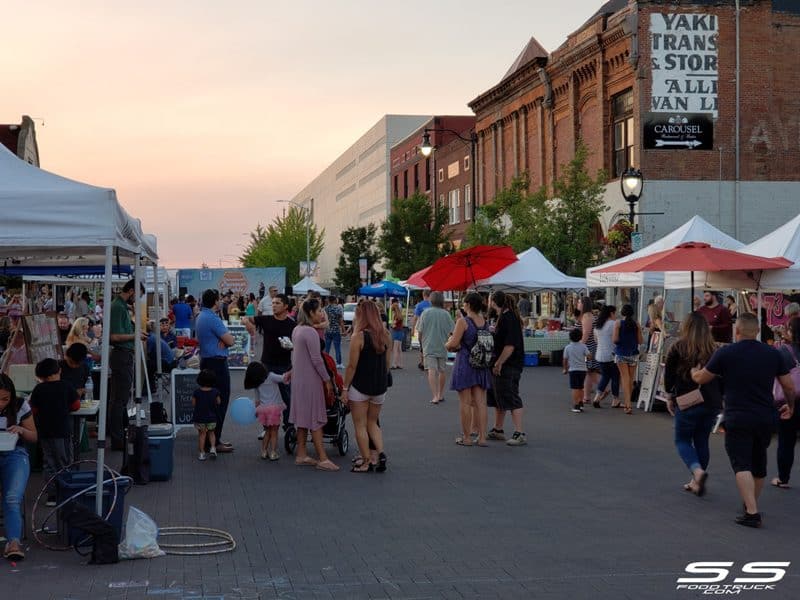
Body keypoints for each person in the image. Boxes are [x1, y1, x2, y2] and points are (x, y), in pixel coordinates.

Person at [692, 313, 795, 527]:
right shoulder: (773, 353)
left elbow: (703, 377)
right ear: (757, 331)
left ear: (736, 330)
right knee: (758, 464)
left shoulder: (726, 352)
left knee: (741, 464)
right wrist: (791, 406)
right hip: (765, 416)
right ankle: (750, 504)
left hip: (738, 415)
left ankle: (752, 512)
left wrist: (694, 372)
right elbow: (788, 386)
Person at [664, 312, 723, 497]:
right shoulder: (714, 349)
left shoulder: (678, 347)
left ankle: (697, 472)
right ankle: (696, 481)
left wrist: (669, 396)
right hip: (711, 401)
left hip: (687, 400)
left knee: (682, 440)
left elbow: (669, 376)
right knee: (702, 440)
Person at [286, 299, 339, 471]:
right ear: (310, 313)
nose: (321, 313)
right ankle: (322, 458)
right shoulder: (310, 332)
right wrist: (327, 380)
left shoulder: (297, 329)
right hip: (310, 380)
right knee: (316, 419)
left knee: (302, 419)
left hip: (299, 380)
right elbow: (317, 359)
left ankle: (301, 454)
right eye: (318, 311)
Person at [342, 301, 390, 473]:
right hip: (379, 387)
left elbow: (351, 366)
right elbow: (387, 363)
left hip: (361, 386)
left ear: (361, 315)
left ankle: (366, 461)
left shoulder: (359, 336)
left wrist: (345, 388)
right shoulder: (385, 334)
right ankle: (381, 453)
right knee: (373, 422)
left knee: (360, 425)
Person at [29, 358, 80, 505]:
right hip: (62, 431)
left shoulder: (38, 389)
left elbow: (33, 410)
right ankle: (65, 492)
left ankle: (52, 495)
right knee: (64, 462)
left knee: (49, 463)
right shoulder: (66, 386)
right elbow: (76, 405)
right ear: (59, 371)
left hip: (44, 432)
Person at [243, 293, 296, 430]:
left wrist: (292, 347)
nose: (274, 306)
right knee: (265, 398)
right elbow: (244, 318)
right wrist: (248, 324)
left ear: (285, 306)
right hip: (266, 365)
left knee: (287, 397)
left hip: (285, 365)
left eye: (277, 303)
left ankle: (288, 426)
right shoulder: (266, 320)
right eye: (272, 303)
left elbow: (297, 345)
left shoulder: (292, 324)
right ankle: (266, 427)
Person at [0, 374, 37, 560]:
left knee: (12, 497)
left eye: (5, 399)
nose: (1, 403)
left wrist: (21, 430)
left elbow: (33, 436)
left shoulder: (20, 405)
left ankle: (14, 541)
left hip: (15, 454)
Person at [446, 292, 491, 446]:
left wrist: (448, 342)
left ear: (469, 305)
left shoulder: (463, 322)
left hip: (465, 362)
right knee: (480, 403)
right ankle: (482, 437)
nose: (463, 305)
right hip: (481, 363)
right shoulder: (483, 321)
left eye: (464, 303)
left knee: (465, 402)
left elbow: (453, 344)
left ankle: (466, 438)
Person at [195, 289, 235, 453]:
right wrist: (224, 341)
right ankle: (215, 441)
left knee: (208, 402)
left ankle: (212, 439)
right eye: (219, 300)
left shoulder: (200, 316)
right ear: (215, 301)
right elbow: (231, 340)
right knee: (220, 401)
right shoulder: (212, 318)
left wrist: (222, 341)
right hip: (217, 363)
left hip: (206, 360)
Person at [487, 291, 527, 446]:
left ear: (494, 302)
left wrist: (499, 362)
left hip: (509, 364)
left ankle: (519, 432)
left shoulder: (508, 318)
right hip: (507, 363)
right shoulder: (506, 317)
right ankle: (498, 429)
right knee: (499, 397)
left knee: (511, 396)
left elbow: (510, 345)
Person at [108, 280, 144, 450]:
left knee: (120, 399)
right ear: (131, 291)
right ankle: (117, 439)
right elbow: (114, 336)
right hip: (122, 355)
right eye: (137, 296)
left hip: (124, 355)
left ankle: (119, 436)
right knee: (119, 400)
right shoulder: (117, 307)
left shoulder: (121, 306)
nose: (137, 301)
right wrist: (134, 335)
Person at [771, 316, 800, 489]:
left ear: (791, 331)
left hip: (788, 401)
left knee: (786, 441)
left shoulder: (783, 351)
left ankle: (783, 478)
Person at [416, 291, 454, 404]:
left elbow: (420, 331)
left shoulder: (425, 313)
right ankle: (441, 394)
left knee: (431, 370)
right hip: (443, 345)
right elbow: (452, 330)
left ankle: (435, 395)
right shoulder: (446, 314)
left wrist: (421, 344)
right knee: (442, 370)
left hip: (428, 345)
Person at [244, 361, 287, 461]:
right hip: (274, 409)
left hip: (263, 410)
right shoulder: (271, 376)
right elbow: (283, 378)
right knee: (274, 432)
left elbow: (257, 400)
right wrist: (291, 373)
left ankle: (263, 451)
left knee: (267, 431)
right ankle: (273, 453)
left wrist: (256, 412)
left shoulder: (257, 383)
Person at [613, 304, 642, 414]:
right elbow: (640, 341)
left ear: (622, 313)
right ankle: (628, 403)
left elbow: (615, 339)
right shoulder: (636, 324)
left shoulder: (618, 323)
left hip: (621, 353)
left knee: (624, 378)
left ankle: (628, 404)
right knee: (630, 379)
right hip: (633, 353)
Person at [592, 305, 619, 409]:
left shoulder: (598, 326)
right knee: (615, 377)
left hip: (600, 355)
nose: (615, 315)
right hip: (612, 355)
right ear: (611, 313)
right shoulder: (613, 324)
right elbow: (616, 339)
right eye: (615, 313)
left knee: (605, 376)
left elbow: (596, 341)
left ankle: (597, 397)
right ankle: (615, 400)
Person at [192, 369, 220, 461]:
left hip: (200, 418)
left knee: (202, 434)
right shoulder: (215, 392)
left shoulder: (196, 392)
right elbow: (219, 402)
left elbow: (193, 404)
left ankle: (202, 453)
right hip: (212, 417)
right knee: (212, 433)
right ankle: (212, 448)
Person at [576, 296, 600, 407]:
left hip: (588, 347)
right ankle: (587, 396)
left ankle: (602, 388)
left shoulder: (587, 316)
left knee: (590, 371)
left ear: (584, 304)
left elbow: (585, 334)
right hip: (590, 347)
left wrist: (578, 346)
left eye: (579, 302)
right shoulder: (587, 315)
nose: (577, 304)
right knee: (589, 372)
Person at [563, 328, 590, 413]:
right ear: (581, 337)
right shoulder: (583, 346)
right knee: (581, 387)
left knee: (575, 388)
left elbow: (565, 359)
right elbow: (589, 356)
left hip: (573, 370)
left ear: (570, 337)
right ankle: (581, 402)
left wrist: (565, 368)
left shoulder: (568, 347)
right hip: (583, 370)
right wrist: (584, 359)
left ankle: (576, 405)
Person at [412, 290, 432, 370]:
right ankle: (429, 362)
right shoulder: (432, 305)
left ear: (423, 295)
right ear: (429, 295)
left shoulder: (419, 305)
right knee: (430, 344)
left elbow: (415, 318)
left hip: (422, 327)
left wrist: (413, 329)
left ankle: (423, 362)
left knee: (422, 344)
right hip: (431, 327)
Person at [323, 296, 344, 368]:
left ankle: (325, 362)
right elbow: (340, 321)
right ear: (335, 300)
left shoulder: (325, 309)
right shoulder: (338, 308)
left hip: (327, 330)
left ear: (328, 300)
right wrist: (344, 330)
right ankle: (339, 363)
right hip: (336, 330)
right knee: (337, 347)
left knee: (327, 348)